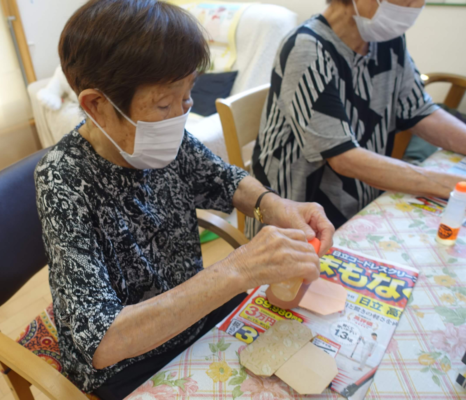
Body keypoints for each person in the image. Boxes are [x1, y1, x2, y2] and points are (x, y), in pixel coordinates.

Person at [34, 1, 335, 399]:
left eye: (187, 96)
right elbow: (103, 342)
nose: (179, 115)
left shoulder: (161, 137)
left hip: (197, 318)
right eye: (163, 104)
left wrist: (275, 206)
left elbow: (223, 179)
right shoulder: (62, 179)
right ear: (97, 105)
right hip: (132, 361)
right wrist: (239, 268)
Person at [249, 0, 466, 236]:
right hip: (299, 221)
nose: (411, 9)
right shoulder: (306, 48)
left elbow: (419, 110)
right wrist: (454, 186)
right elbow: (343, 158)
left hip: (363, 207)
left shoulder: (388, 41)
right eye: (404, 2)